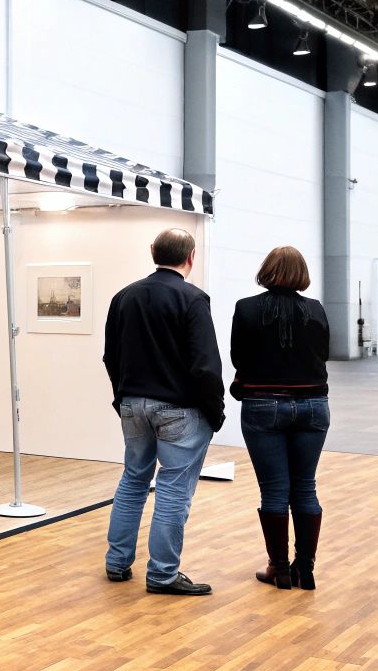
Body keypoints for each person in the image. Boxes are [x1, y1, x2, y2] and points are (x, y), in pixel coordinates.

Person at [101, 227, 225, 597]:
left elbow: (111, 356)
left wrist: (121, 397)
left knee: (133, 480)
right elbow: (205, 365)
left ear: (152, 251)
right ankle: (163, 574)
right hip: (179, 410)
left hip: (132, 404)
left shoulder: (124, 297)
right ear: (191, 257)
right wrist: (215, 412)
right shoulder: (193, 299)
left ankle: (117, 561)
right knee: (173, 489)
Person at [229, 246, 329, 591]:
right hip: (313, 405)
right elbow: (324, 354)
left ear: (266, 270)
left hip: (262, 404)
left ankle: (280, 568)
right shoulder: (315, 309)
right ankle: (306, 569)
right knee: (305, 487)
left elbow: (237, 356)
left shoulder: (246, 308)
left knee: (274, 489)